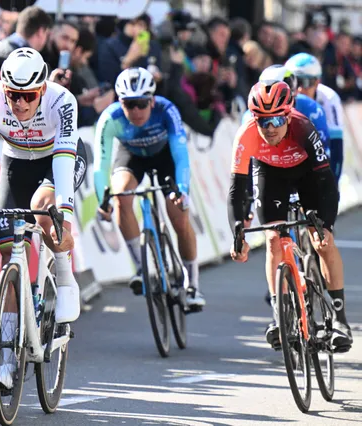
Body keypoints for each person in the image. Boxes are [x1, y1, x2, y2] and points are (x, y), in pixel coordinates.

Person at [0, 47, 86, 389]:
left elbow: (64, 163)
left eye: (28, 96)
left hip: (58, 159)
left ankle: (67, 281)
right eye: (13, 95)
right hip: (15, 164)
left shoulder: (62, 101)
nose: (20, 104)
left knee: (45, 210)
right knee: (10, 255)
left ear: (41, 89)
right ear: (3, 88)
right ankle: (8, 359)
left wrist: (64, 220)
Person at [229, 80, 352, 352]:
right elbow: (237, 188)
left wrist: (326, 225)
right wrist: (237, 233)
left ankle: (341, 321)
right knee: (274, 239)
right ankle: (280, 317)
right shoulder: (246, 134)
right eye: (262, 120)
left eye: (275, 119)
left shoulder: (303, 127)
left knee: (323, 242)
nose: (269, 127)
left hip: (308, 174)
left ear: (287, 115)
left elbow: (326, 180)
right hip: (270, 175)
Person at [93, 67, 203, 310]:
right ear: (119, 101)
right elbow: (101, 165)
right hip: (132, 156)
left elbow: (181, 155)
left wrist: (182, 189)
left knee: (179, 217)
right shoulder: (110, 118)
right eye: (129, 104)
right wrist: (104, 199)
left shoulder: (166, 110)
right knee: (121, 196)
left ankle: (192, 282)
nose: (136, 110)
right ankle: (142, 267)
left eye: (142, 103)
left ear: (152, 100)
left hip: (165, 157)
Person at [285, 53, 345, 184]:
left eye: (305, 82)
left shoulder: (329, 98)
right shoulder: (283, 98)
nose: (299, 89)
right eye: (295, 82)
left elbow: (336, 146)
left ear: (317, 82)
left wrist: (333, 184)